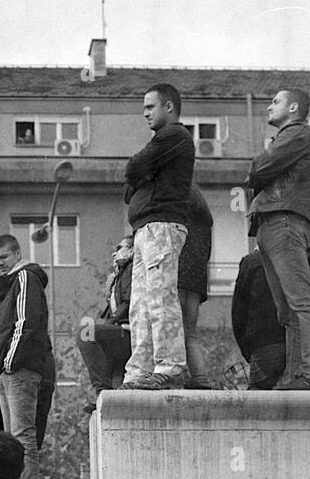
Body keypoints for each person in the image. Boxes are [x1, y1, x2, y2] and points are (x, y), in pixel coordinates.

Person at [247, 88, 310, 390]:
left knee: (300, 301)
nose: (269, 106)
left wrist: (261, 162)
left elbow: (259, 169)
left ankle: (307, 374)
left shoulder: (297, 134)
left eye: (275, 101)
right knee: (287, 308)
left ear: (293, 107)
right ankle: (296, 375)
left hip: (283, 220)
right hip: (275, 221)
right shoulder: (291, 136)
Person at [121, 83, 196, 390]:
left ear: (168, 107)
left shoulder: (175, 135)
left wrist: (143, 172)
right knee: (140, 304)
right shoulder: (163, 142)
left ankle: (170, 366)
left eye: (150, 106)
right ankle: (138, 371)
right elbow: (130, 189)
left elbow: (133, 168)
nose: (145, 113)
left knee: (160, 298)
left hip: (162, 226)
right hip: (146, 229)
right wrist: (143, 172)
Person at [0, 234, 55, 479]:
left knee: (23, 437)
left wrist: (10, 361)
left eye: (3, 257)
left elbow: (26, 322)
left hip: (20, 369)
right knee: (13, 439)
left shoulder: (25, 277)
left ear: (17, 253)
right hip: (8, 371)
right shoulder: (10, 282)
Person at [77, 238, 133, 411]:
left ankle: (102, 392)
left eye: (119, 248)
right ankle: (106, 399)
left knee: (86, 333)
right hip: (122, 331)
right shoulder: (120, 275)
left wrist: (111, 324)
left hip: (131, 331)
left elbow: (129, 301)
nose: (114, 253)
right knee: (112, 368)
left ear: (132, 250)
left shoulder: (132, 269)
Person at [230, 249, 288, 390]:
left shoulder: (251, 262)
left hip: (263, 338)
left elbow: (239, 309)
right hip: (294, 339)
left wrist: (246, 349)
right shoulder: (298, 258)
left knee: (259, 400)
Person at [177, 182, 215, 389]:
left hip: (179, 278)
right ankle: (200, 378)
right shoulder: (204, 222)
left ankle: (173, 377)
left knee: (172, 329)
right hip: (196, 283)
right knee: (189, 332)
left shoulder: (180, 222)